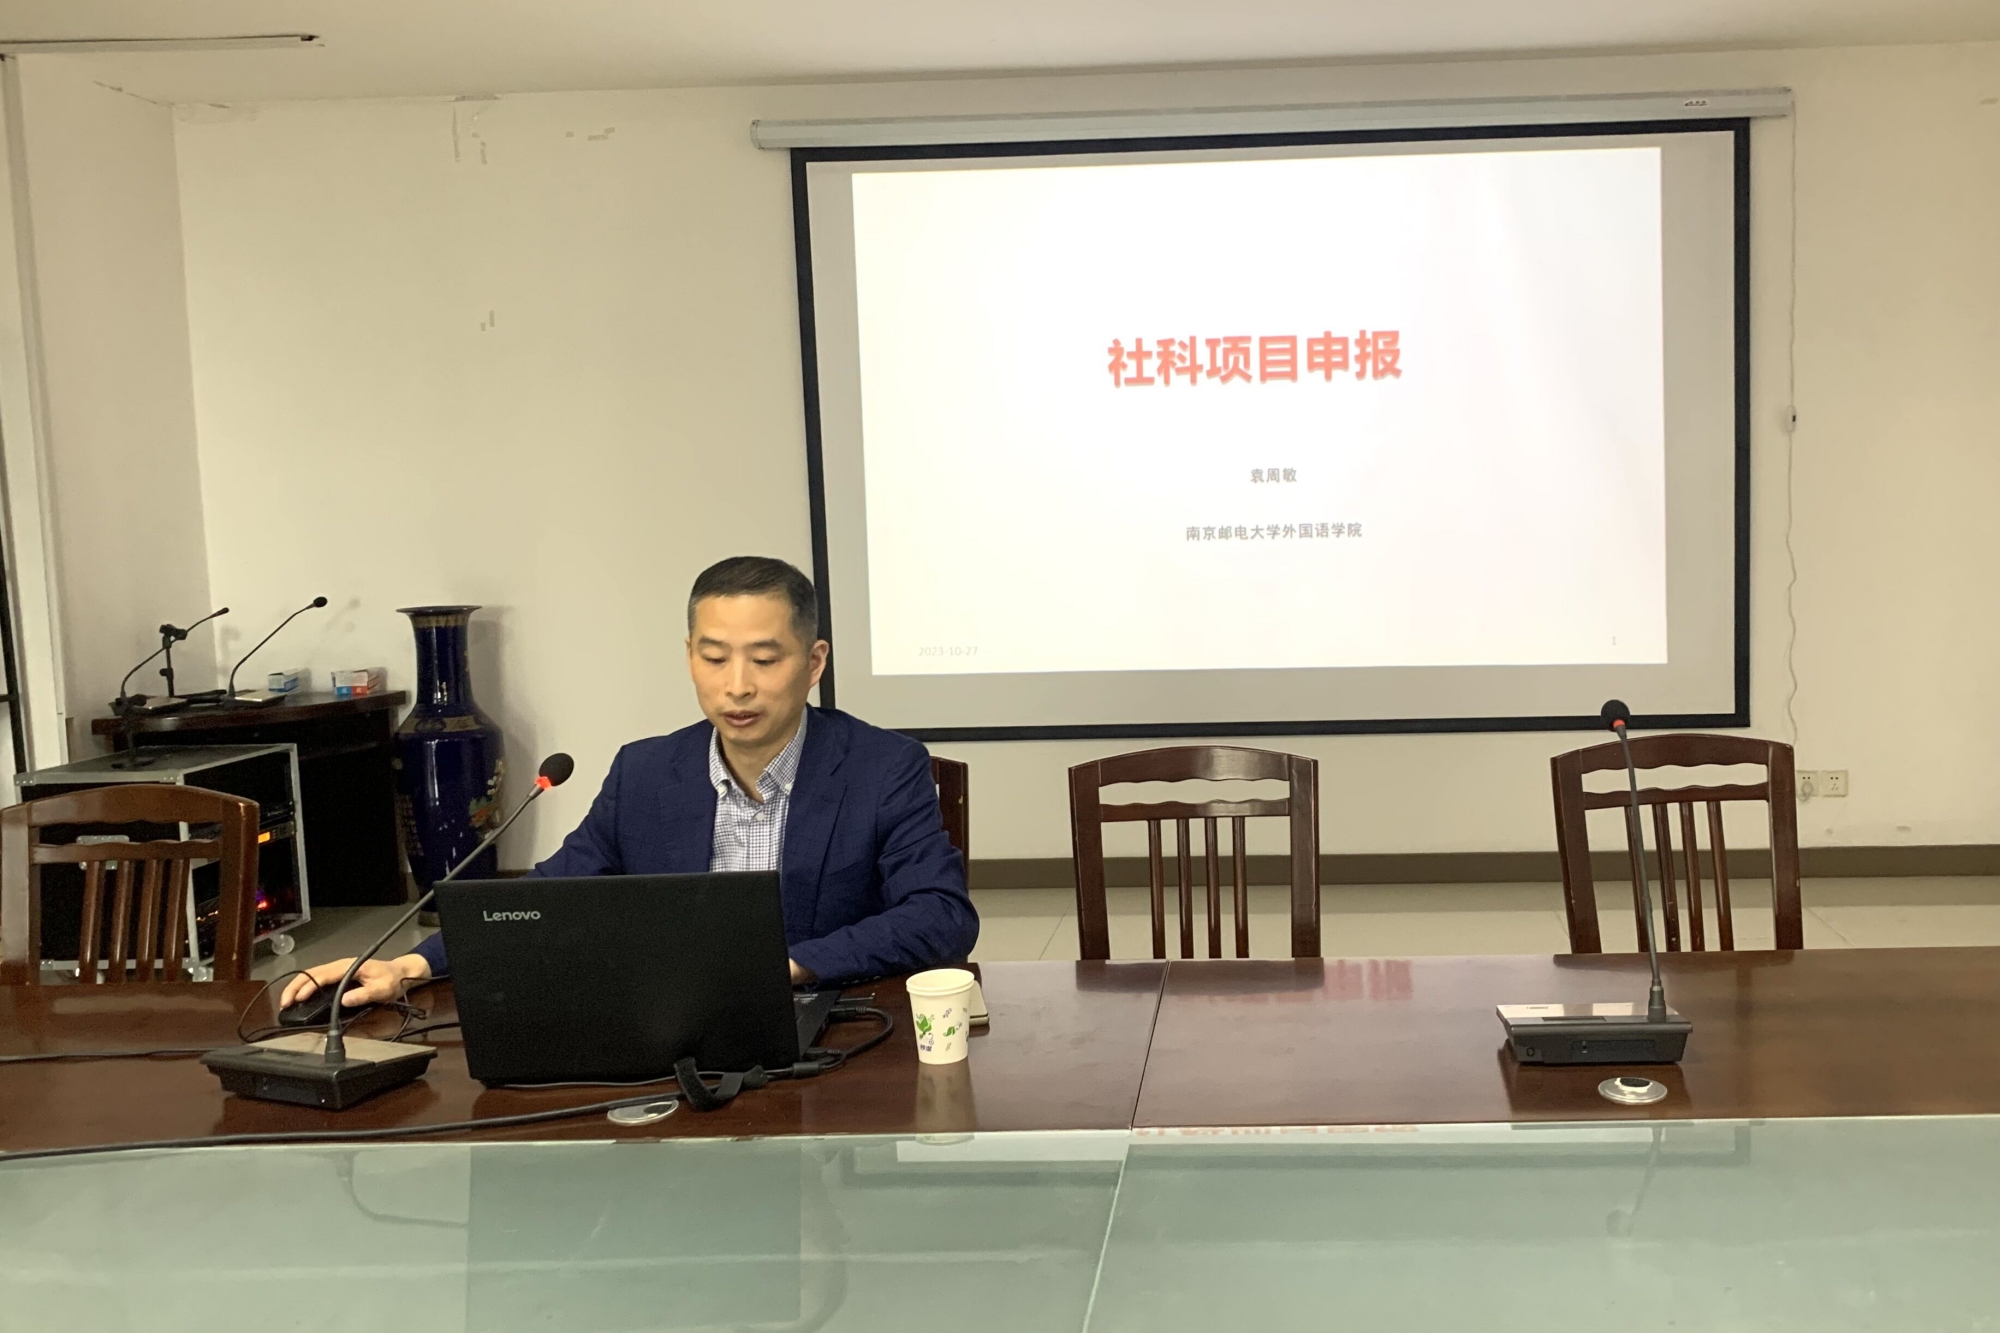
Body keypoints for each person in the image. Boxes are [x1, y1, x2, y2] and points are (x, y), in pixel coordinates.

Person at [281, 556, 978, 1012]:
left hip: (830, 1033)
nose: (737, 685)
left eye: (765, 659)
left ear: (814, 661)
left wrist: (790, 964)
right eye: (714, 657)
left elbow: (941, 917)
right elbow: (546, 899)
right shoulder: (645, 773)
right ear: (689, 655)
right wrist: (411, 964)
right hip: (673, 1038)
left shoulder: (883, 766)